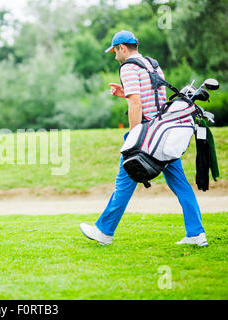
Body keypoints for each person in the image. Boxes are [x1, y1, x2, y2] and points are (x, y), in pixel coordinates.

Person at [79, 30, 208, 247]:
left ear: (122, 47)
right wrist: (125, 93)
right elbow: (155, 98)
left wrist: (133, 138)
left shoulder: (128, 67)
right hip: (163, 134)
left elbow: (136, 104)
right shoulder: (153, 64)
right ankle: (196, 233)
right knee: (180, 184)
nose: (114, 56)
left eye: (114, 51)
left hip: (145, 136)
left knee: (124, 183)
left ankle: (104, 231)